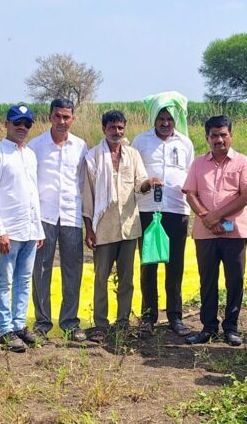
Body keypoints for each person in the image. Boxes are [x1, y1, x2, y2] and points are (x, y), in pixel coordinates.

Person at [82, 110, 161, 343]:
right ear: (103, 129)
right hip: (103, 228)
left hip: (128, 226)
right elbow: (88, 197)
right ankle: (100, 325)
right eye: (112, 128)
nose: (117, 132)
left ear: (124, 128)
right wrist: (89, 229)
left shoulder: (132, 155)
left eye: (120, 128)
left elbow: (139, 184)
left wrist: (149, 183)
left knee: (127, 278)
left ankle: (123, 322)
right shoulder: (94, 157)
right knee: (101, 278)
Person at [181, 115, 247, 347]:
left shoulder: (243, 162)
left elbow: (246, 195)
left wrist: (217, 215)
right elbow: (190, 193)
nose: (219, 139)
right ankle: (208, 327)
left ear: (231, 136)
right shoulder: (198, 163)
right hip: (205, 232)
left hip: (234, 233)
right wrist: (206, 217)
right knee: (207, 280)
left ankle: (231, 328)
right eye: (214, 135)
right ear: (207, 138)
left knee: (234, 280)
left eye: (223, 134)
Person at [0, 105, 46, 353]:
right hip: (9, 231)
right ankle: (5, 329)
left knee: (25, 280)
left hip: (29, 230)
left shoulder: (29, 155)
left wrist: (38, 228)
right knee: (4, 281)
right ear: (6, 124)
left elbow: (32, 193)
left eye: (27, 124)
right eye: (17, 122)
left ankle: (19, 324)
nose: (22, 127)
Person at [133, 91, 194, 337]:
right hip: (148, 210)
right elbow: (135, 175)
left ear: (175, 120)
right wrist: (147, 181)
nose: (165, 122)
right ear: (153, 119)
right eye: (161, 118)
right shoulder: (141, 141)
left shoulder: (185, 143)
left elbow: (191, 174)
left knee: (175, 265)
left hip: (177, 210)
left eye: (169, 118)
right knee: (149, 263)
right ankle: (148, 316)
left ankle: (175, 316)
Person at [27, 98, 88, 342]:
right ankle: (42, 322)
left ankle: (70, 322)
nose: (62, 121)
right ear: (50, 117)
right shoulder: (36, 146)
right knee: (41, 269)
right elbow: (30, 184)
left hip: (71, 215)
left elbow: (83, 182)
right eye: (58, 116)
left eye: (67, 117)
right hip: (44, 216)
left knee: (73, 269)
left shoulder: (80, 146)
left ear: (73, 118)